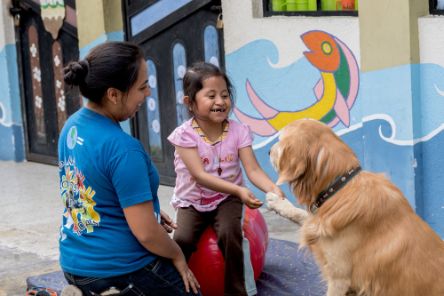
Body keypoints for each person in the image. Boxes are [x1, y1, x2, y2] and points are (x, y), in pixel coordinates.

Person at [58, 41, 200, 296]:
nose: (147, 94)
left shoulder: (72, 126)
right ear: (113, 94)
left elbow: (88, 190)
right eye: (142, 87)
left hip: (74, 264)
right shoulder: (123, 149)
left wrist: (150, 211)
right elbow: (146, 234)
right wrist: (176, 254)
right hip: (117, 271)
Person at [167, 62, 284, 296]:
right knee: (182, 239)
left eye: (225, 95)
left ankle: (238, 291)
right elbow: (199, 176)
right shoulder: (184, 135)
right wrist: (240, 190)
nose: (220, 101)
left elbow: (253, 169)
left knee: (231, 234)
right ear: (190, 102)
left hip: (226, 199)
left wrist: (273, 189)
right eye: (211, 95)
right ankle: (174, 287)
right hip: (192, 201)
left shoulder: (239, 131)